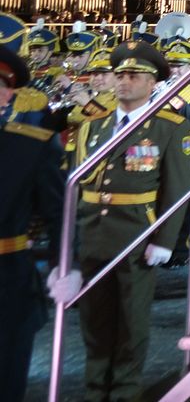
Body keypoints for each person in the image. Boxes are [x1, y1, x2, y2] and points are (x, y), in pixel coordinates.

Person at [62, 39, 190, 402]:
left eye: (134, 75)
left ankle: (124, 389)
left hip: (136, 234)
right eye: (119, 74)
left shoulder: (169, 127)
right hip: (93, 232)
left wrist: (166, 240)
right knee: (94, 319)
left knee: (131, 320)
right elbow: (77, 183)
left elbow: (178, 189)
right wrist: (69, 240)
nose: (124, 81)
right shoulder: (94, 126)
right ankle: (95, 387)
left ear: (152, 83)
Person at [1, 43, 64, 402]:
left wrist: (62, 266)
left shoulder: (33, 146)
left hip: (7, 275)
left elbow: (57, 213)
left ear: (9, 95)